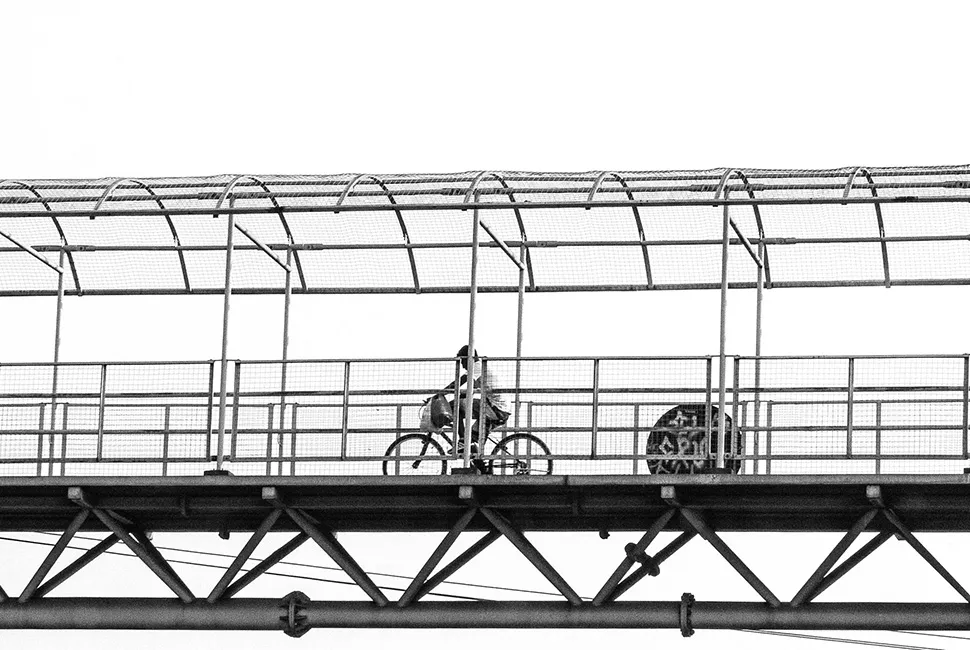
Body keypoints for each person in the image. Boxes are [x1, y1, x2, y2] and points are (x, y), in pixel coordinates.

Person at [443, 345, 511, 454]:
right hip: (497, 408)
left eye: (462, 361)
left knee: (454, 406)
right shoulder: (480, 369)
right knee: (473, 445)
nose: (462, 365)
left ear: (469, 358)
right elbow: (468, 391)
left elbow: (458, 383)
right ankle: (478, 460)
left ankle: (462, 441)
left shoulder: (476, 367)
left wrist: (439, 395)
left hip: (495, 409)